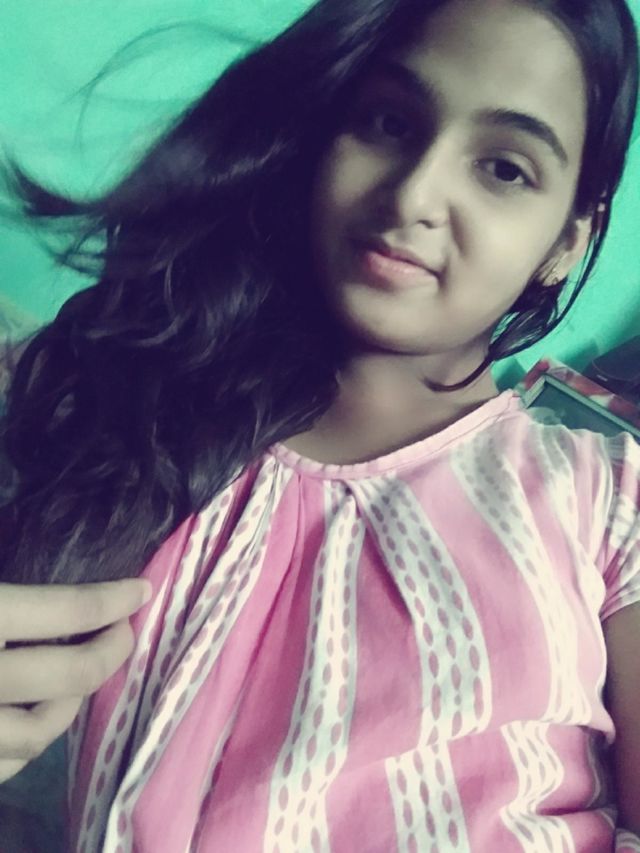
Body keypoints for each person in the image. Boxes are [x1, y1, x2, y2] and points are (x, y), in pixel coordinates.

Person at [0, 0, 639, 849]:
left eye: (504, 168)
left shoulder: (609, 497)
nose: (415, 194)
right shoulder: (120, 398)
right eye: (388, 122)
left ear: (568, 241)